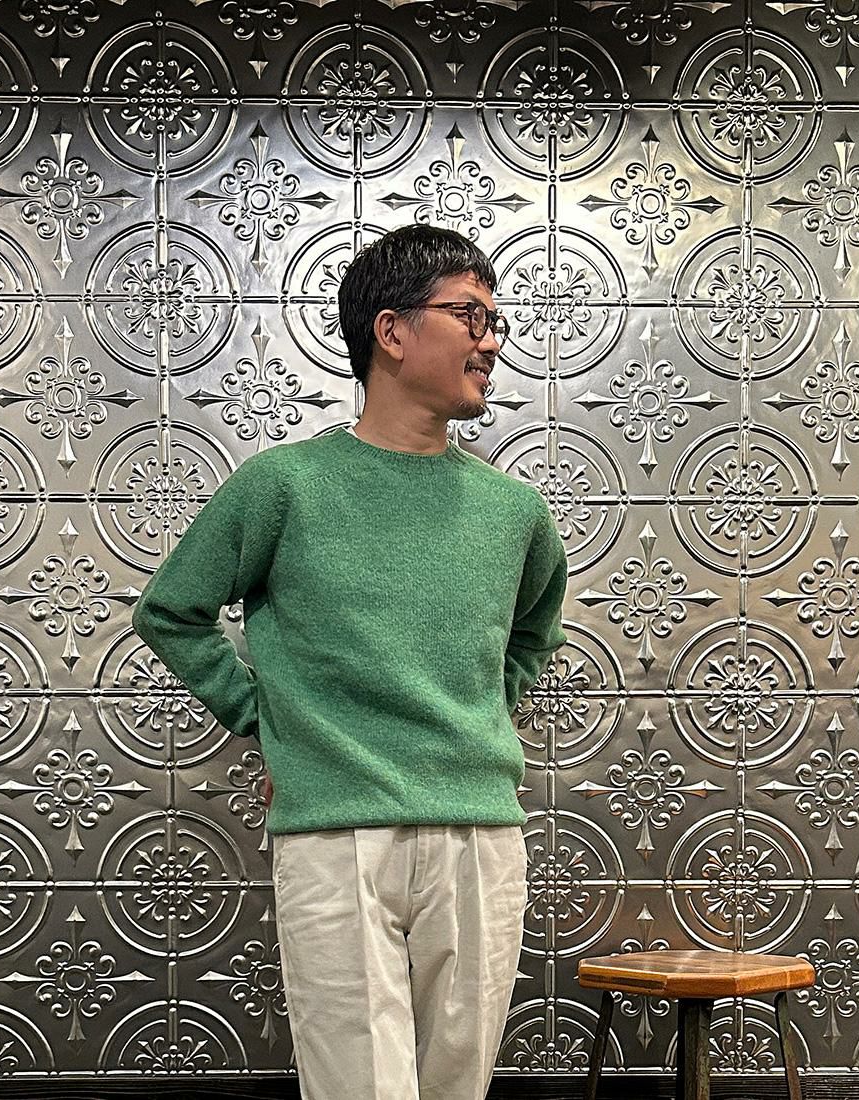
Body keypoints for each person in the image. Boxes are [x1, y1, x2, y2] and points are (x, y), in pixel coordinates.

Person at [130, 223, 568, 1099]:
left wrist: (482, 708)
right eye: (470, 315)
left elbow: (534, 635)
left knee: (458, 1088)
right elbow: (170, 612)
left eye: (495, 321)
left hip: (480, 834)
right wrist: (270, 721)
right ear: (392, 331)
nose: (491, 340)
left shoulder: (514, 510)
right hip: (334, 833)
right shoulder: (283, 485)